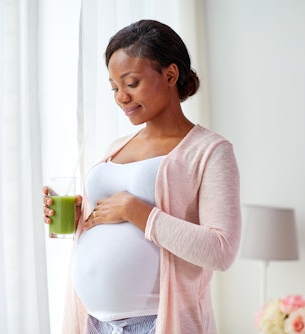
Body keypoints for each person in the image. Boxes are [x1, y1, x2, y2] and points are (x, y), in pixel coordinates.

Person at [43, 19, 241, 334]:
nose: (121, 97)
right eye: (113, 87)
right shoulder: (116, 148)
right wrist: (81, 218)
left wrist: (138, 212)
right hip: (94, 322)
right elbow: (109, 221)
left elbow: (221, 250)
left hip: (156, 324)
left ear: (170, 75)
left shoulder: (210, 150)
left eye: (131, 83)